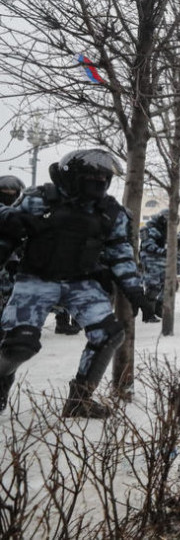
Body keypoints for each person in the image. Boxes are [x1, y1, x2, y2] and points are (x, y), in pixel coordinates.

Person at [0, 149, 157, 416]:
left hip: (80, 283)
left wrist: (135, 292)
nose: (99, 182)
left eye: (104, 177)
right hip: (36, 278)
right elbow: (6, 222)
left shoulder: (111, 212)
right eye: (92, 176)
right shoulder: (39, 200)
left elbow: (120, 254)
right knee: (20, 345)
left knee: (109, 335)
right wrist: (10, 220)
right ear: (74, 176)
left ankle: (80, 401)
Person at [0, 175, 25, 315]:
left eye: (12, 193)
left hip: (14, 261)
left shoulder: (21, 213)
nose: (8, 196)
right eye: (4, 192)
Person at [140, 209, 168, 321]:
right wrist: (163, 251)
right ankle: (148, 315)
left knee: (166, 286)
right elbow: (147, 245)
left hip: (162, 261)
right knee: (153, 288)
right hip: (151, 261)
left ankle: (158, 308)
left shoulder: (164, 229)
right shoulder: (151, 228)